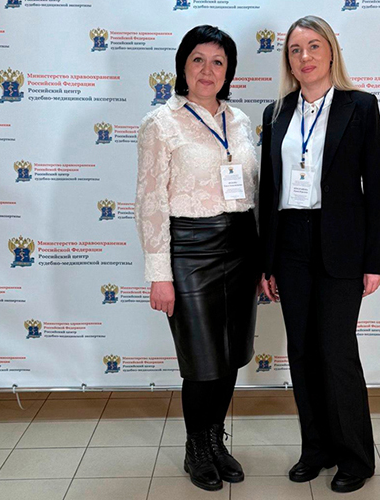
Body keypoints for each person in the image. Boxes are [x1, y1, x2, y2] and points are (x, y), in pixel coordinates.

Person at [258, 15, 380, 494]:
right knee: (302, 351)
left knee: (337, 352)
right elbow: (268, 192)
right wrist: (266, 261)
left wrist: (374, 260)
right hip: (290, 243)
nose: (305, 57)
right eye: (295, 50)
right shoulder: (276, 113)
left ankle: (355, 456)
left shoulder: (361, 106)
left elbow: (377, 188)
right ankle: (316, 449)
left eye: (314, 46)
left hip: (341, 246)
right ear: (288, 61)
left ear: (331, 51)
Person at [135, 25, 258, 492]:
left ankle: (214, 440)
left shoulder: (240, 120)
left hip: (241, 247)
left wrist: (263, 260)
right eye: (198, 60)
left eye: (218, 62)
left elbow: (253, 191)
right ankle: (195, 448)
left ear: (229, 72)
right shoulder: (160, 123)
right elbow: (150, 201)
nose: (208, 70)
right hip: (190, 250)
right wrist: (159, 274)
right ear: (182, 66)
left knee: (230, 356)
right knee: (202, 360)